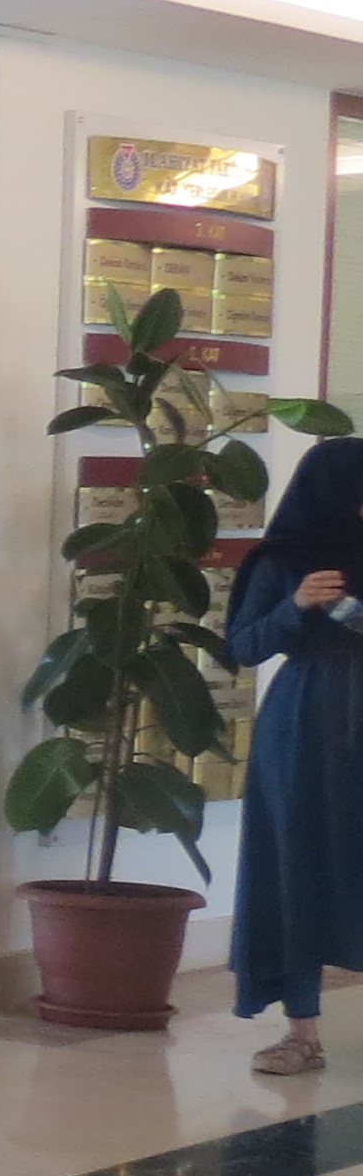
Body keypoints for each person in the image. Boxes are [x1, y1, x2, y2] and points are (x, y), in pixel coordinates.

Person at [222, 434, 363, 1075]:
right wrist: (297, 604)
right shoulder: (281, 558)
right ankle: (301, 1032)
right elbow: (244, 646)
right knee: (294, 864)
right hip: (306, 722)